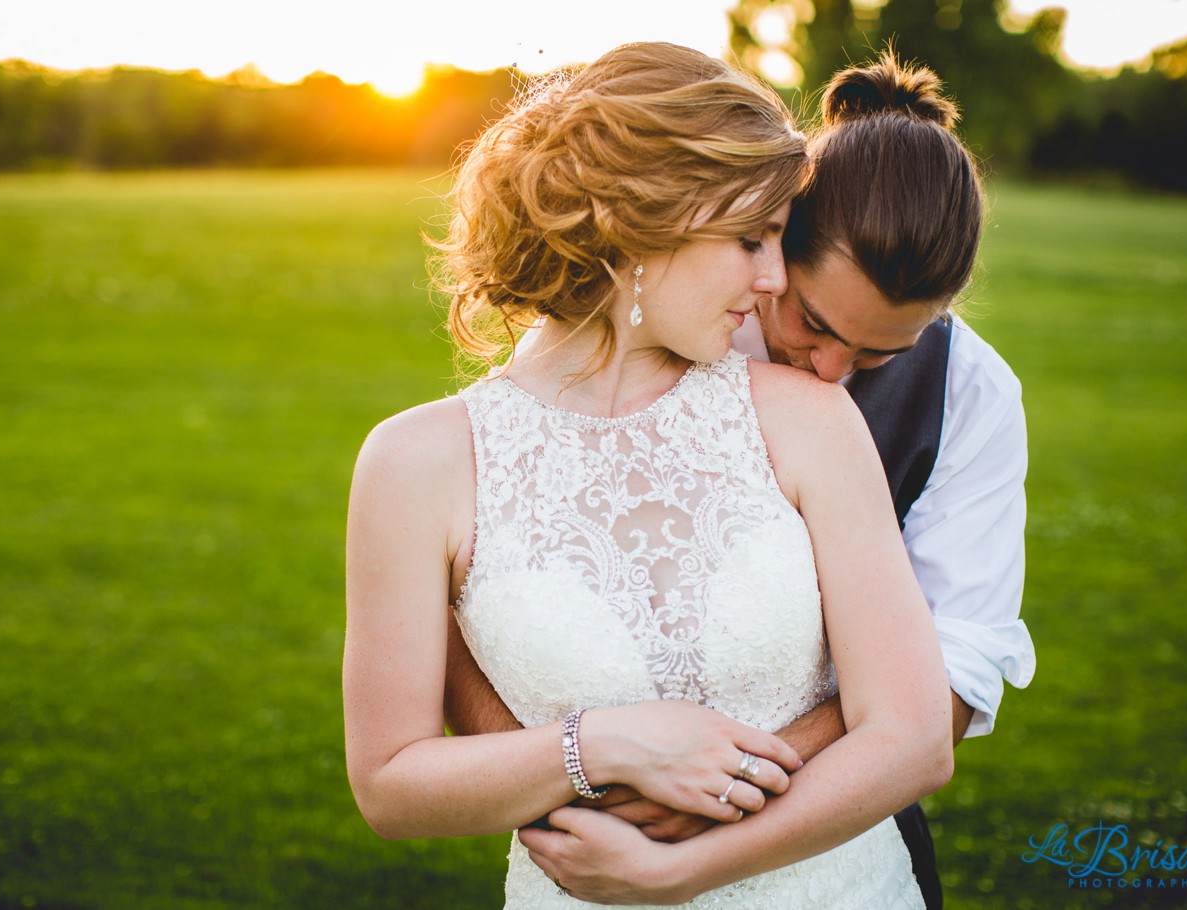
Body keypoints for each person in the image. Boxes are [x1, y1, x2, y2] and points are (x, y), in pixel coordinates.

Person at [345, 41, 952, 908]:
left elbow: (914, 736)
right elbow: (390, 783)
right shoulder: (417, 464)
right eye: (751, 238)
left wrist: (675, 874)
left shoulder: (806, 419)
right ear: (639, 220)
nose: (774, 278)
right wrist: (601, 744)